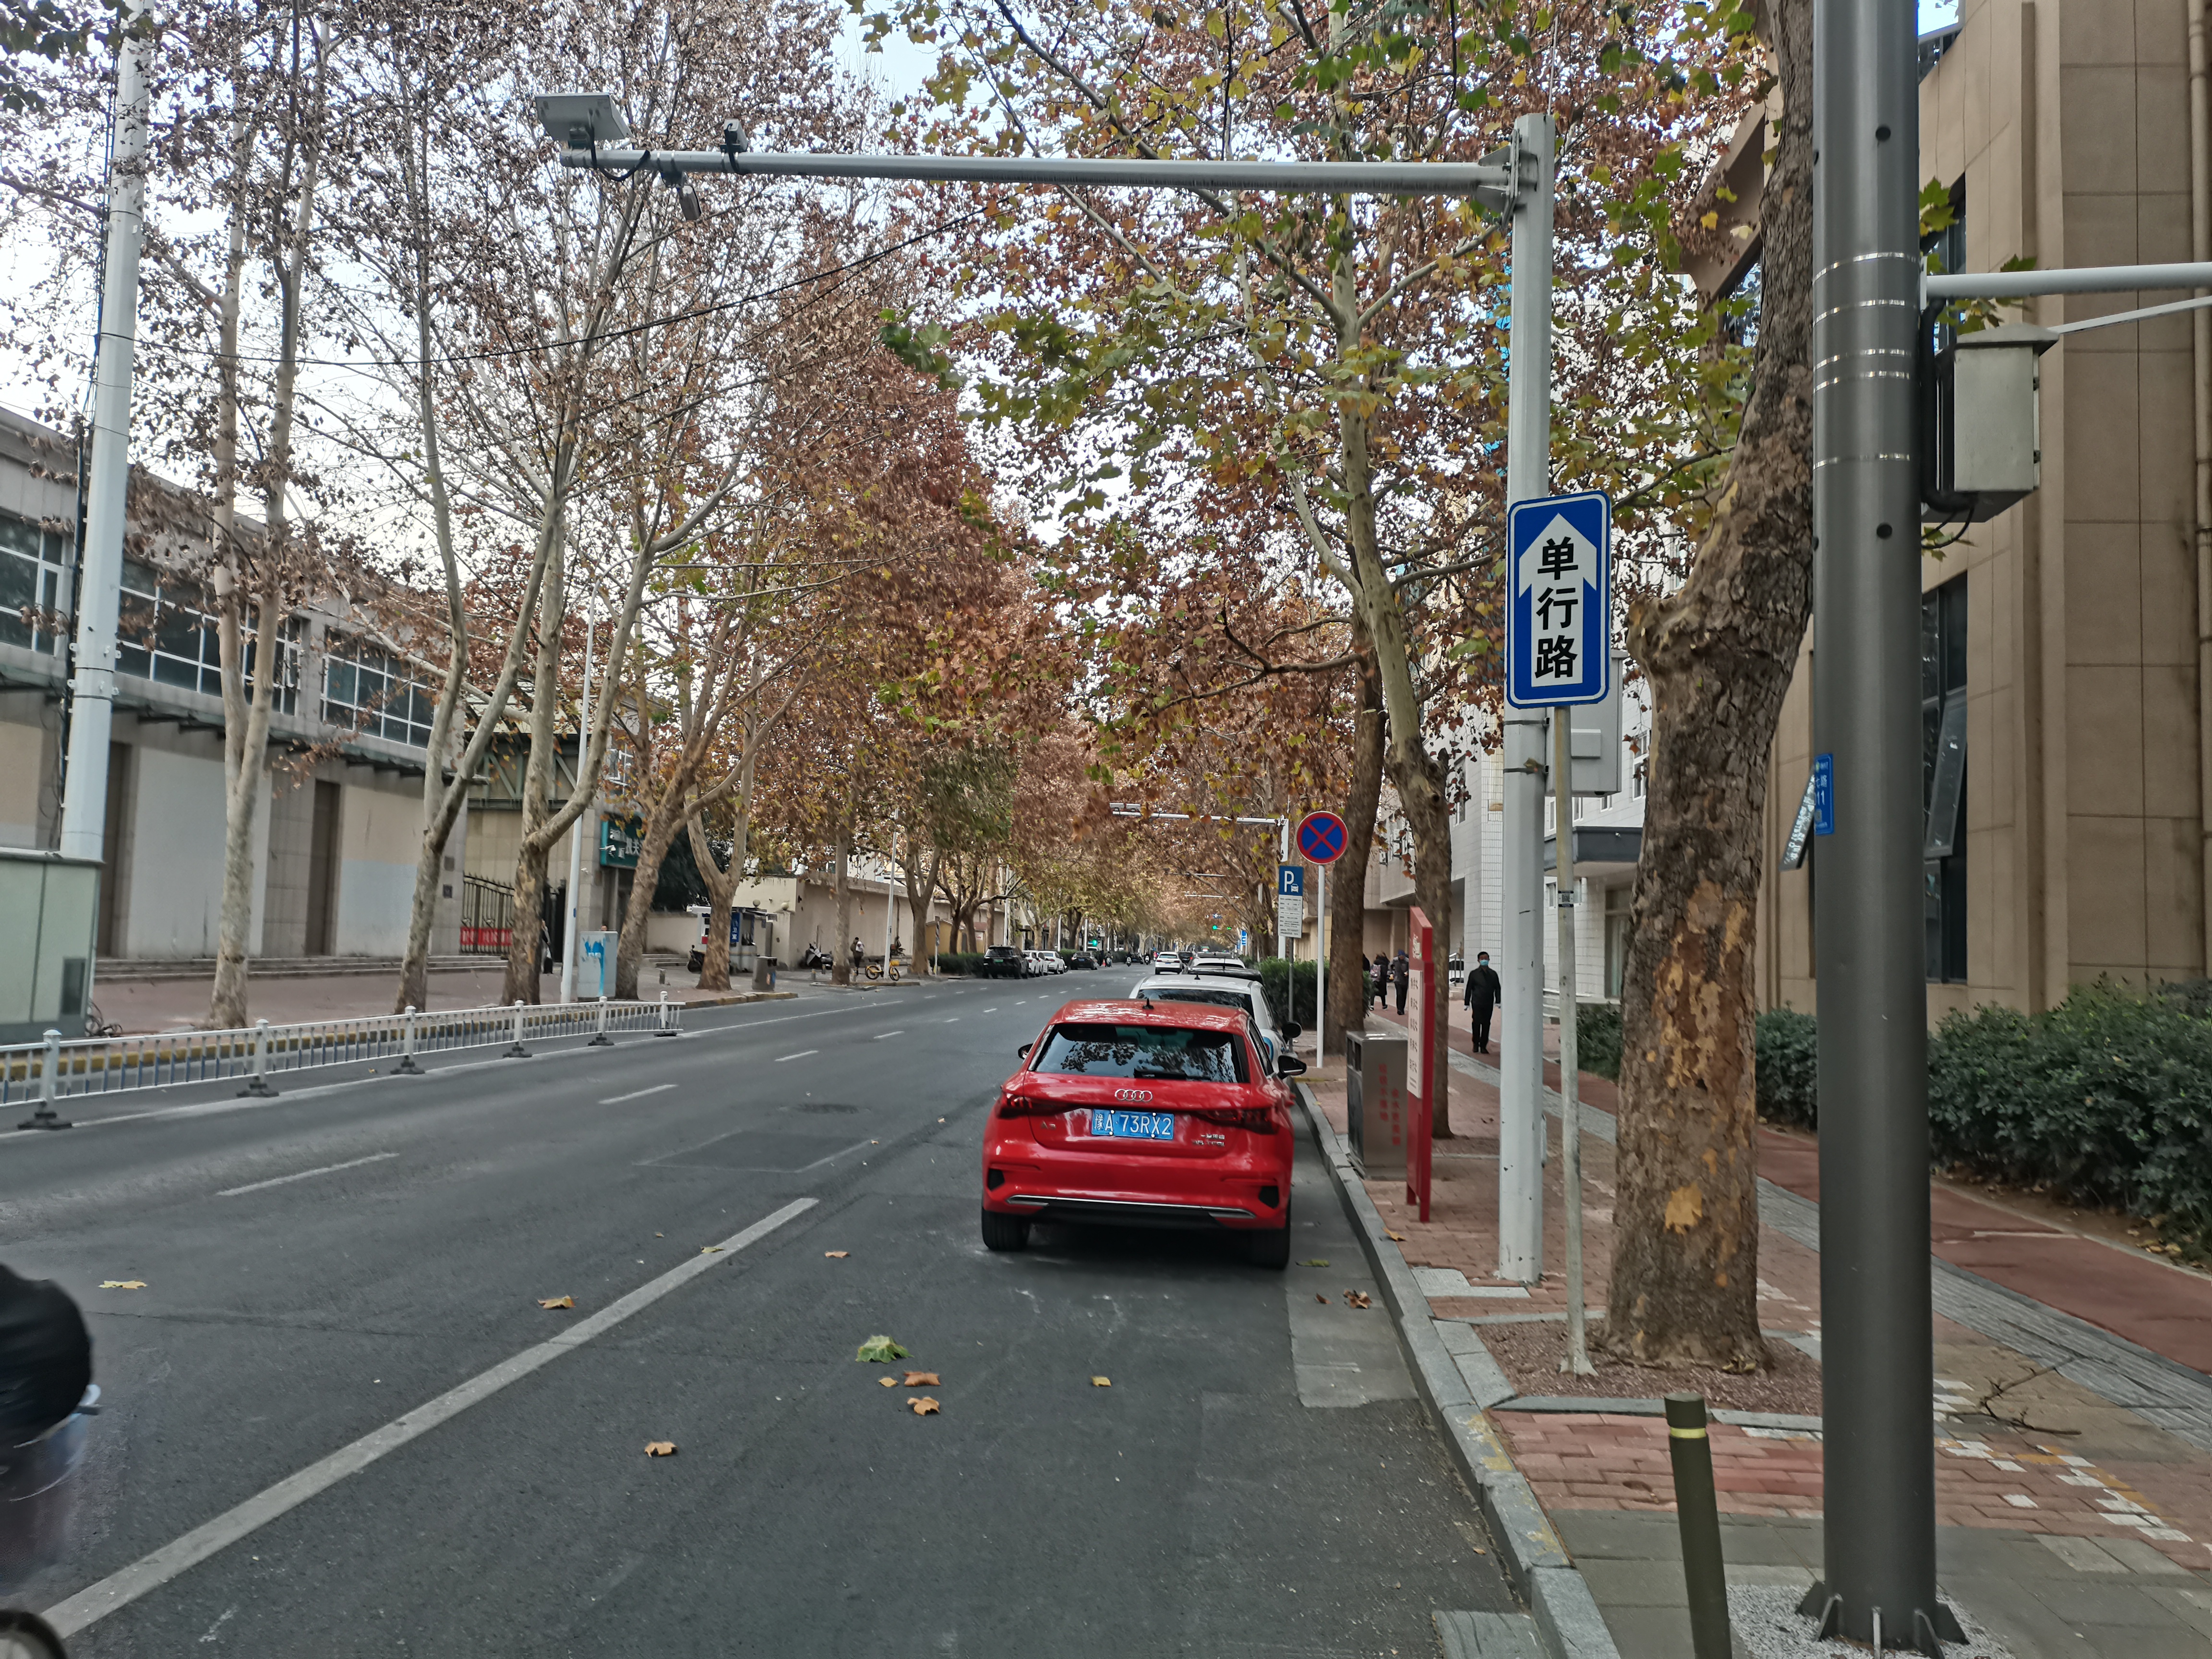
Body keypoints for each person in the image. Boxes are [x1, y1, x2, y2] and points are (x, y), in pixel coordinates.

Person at [1464, 949, 1502, 1054]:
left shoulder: (1493, 974)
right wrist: (1467, 1002)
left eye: (1486, 959)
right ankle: (1475, 1044)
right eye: (1482, 959)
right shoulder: (1474, 974)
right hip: (1477, 1002)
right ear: (1478, 961)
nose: (1484, 960)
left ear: (1489, 960)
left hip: (1488, 1002)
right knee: (1476, 1023)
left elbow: (1498, 988)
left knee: (1486, 1024)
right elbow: (1469, 988)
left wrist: (1498, 1001)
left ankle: (1484, 1045)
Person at [1391, 948, 1409, 1015]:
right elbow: (1390, 967)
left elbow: (1410, 969)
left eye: (1403, 956)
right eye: (1400, 956)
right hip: (1397, 980)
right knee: (1399, 994)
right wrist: (1391, 974)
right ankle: (1399, 1009)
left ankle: (1402, 1009)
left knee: (1404, 995)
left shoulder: (1407, 961)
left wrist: (1408, 973)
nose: (1401, 957)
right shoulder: (1395, 960)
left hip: (1405, 980)